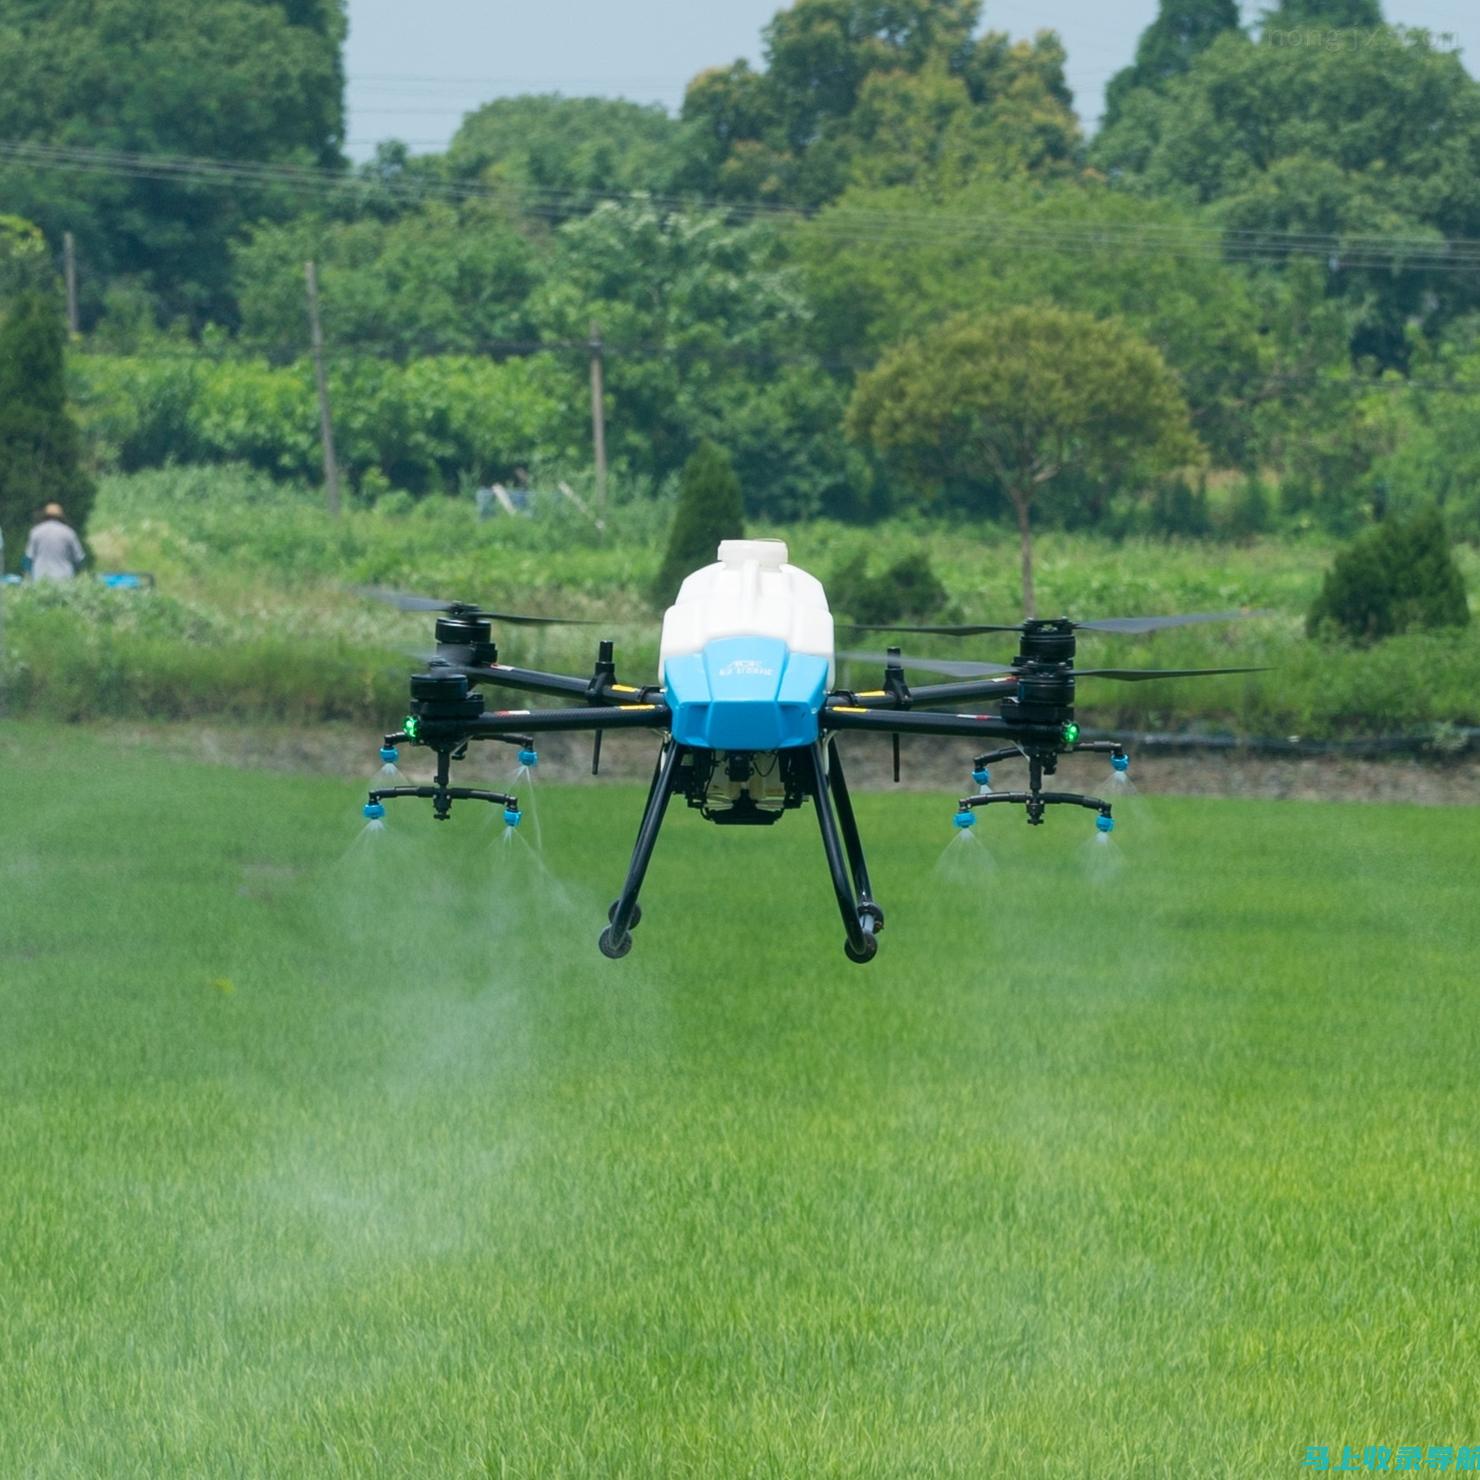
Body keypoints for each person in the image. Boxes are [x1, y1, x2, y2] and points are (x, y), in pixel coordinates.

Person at [23, 503, 86, 582]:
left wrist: (27, 575)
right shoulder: (68, 532)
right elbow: (79, 558)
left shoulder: (36, 531)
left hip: (41, 578)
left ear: (44, 516)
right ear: (61, 516)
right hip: (64, 578)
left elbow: (28, 557)